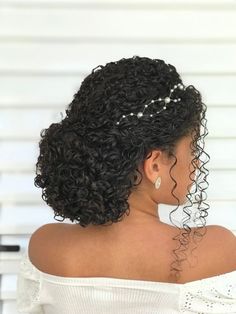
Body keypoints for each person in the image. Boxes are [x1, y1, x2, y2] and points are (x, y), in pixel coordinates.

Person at [16, 56, 236, 313]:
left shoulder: (46, 247)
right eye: (193, 147)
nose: (196, 162)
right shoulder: (216, 250)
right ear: (154, 164)